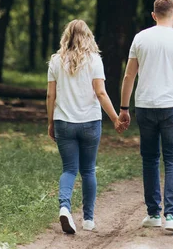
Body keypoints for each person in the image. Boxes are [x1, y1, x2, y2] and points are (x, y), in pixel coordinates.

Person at [119, 0, 173, 234]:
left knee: (149, 159)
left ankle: (153, 213)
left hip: (145, 106)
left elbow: (129, 76)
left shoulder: (140, 38)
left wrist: (124, 109)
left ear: (154, 15)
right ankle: (172, 216)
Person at [46, 19, 122, 235]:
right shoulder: (95, 60)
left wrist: (51, 121)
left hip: (64, 122)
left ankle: (64, 207)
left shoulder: (56, 61)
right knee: (88, 170)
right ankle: (88, 219)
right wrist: (115, 118)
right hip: (89, 122)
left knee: (69, 169)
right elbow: (101, 93)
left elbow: (51, 95)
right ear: (88, 37)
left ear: (66, 37)